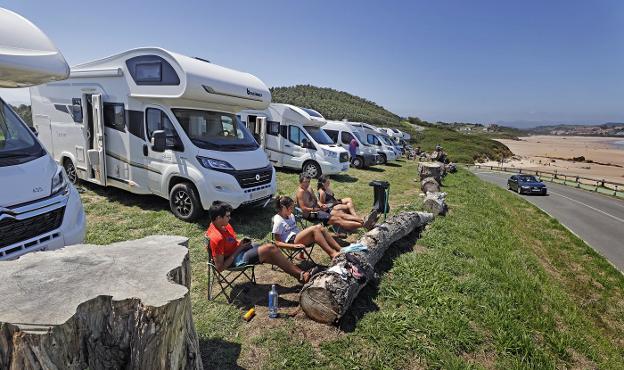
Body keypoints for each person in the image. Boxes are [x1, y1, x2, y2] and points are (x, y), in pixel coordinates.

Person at [205, 201, 313, 283]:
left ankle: (298, 273)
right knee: (270, 249)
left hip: (239, 250)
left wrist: (240, 242)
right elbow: (220, 268)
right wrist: (239, 249)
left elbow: (229, 241)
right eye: (227, 216)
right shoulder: (216, 237)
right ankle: (301, 275)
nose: (230, 218)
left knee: (270, 252)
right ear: (219, 218)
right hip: (234, 260)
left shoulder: (223, 226)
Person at [272, 196, 342, 259]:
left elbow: (295, 230)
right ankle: (332, 253)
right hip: (291, 242)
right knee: (315, 228)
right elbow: (277, 242)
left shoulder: (291, 216)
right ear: (283, 208)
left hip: (298, 238)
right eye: (291, 208)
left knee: (320, 227)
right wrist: (292, 246)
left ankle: (340, 250)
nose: (292, 210)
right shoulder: (278, 221)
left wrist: (301, 253)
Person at [296, 173, 366, 232]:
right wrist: (315, 209)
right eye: (305, 182)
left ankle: (362, 220)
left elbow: (316, 200)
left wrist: (321, 205)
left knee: (340, 214)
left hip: (319, 209)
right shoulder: (300, 192)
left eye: (308, 181)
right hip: (311, 214)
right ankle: (364, 225)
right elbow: (303, 208)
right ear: (300, 181)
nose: (307, 184)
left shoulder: (309, 188)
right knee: (338, 220)